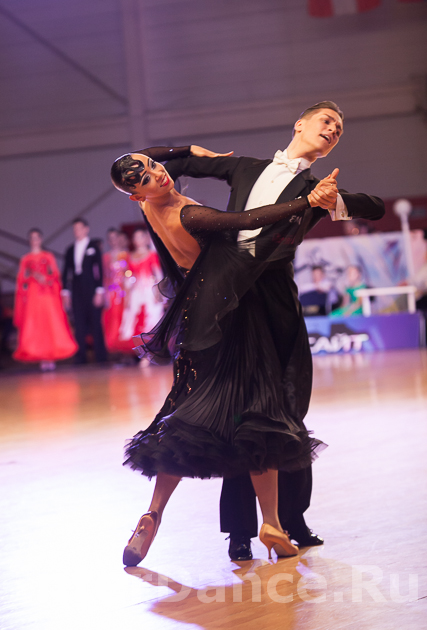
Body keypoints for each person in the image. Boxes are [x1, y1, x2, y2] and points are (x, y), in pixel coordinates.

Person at [152, 101, 385, 561]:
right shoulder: (245, 168)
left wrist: (334, 201)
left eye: (339, 129)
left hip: (276, 300)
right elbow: (171, 163)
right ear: (300, 125)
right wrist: (166, 161)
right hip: (229, 297)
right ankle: (240, 531)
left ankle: (291, 520)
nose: (333, 129)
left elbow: (374, 207)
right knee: (237, 412)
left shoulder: (316, 188)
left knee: (289, 407)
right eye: (327, 121)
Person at [110, 138, 353, 567]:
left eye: (152, 166)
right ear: (136, 194)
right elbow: (247, 219)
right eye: (146, 178)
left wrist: (186, 150)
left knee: (186, 419)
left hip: (197, 321)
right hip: (231, 319)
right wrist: (306, 203)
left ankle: (154, 512)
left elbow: (144, 161)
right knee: (258, 415)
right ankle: (272, 523)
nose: (158, 174)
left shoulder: (149, 206)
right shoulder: (188, 214)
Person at [13, 228, 78, 370]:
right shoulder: (26, 259)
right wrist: (32, 277)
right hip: (33, 294)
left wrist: (46, 278)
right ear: (29, 241)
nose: (34, 241)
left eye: (37, 238)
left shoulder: (48, 256)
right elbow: (21, 278)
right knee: (36, 324)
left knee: (49, 322)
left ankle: (50, 356)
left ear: (41, 240)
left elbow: (55, 274)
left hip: (47, 292)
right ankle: (41, 355)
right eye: (32, 238)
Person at [62, 218, 108, 364]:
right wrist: (65, 292)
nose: (77, 231)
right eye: (75, 229)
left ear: (86, 229)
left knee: (95, 322)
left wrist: (99, 291)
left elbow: (99, 269)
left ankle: (100, 356)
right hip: (76, 290)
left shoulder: (93, 247)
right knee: (79, 323)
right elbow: (66, 272)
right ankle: (80, 356)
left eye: (80, 228)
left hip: (92, 288)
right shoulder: (70, 249)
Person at [118, 227, 164, 361]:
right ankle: (140, 353)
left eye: (140, 237)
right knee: (134, 319)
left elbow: (158, 274)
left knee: (151, 319)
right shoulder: (130, 256)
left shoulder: (151, 255)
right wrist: (127, 294)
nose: (138, 240)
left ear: (145, 239)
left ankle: (151, 353)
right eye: (135, 237)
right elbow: (128, 278)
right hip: (136, 292)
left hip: (149, 291)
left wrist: (158, 292)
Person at [103, 227, 129, 352]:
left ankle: (126, 348)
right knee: (113, 319)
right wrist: (105, 294)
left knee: (124, 318)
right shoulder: (106, 257)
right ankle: (115, 349)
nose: (113, 241)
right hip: (112, 292)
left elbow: (130, 274)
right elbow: (105, 276)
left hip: (124, 292)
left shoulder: (126, 255)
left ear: (119, 238)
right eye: (110, 238)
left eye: (115, 238)